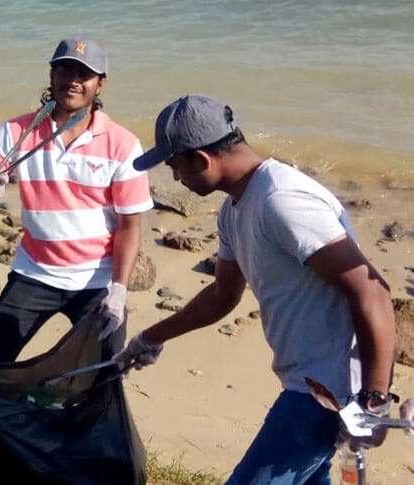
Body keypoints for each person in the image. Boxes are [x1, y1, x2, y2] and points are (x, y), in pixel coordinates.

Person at [115, 95, 397, 484]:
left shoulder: (283, 201)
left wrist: (375, 401)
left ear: (201, 158)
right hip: (303, 381)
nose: (175, 179)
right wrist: (149, 338)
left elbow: (373, 293)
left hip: (327, 395)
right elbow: (222, 296)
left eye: (175, 166)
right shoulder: (235, 208)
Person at [0, 38, 153, 480]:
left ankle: (103, 468)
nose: (72, 80)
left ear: (101, 83)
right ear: (51, 76)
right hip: (33, 275)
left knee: (103, 383)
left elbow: (131, 226)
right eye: (64, 70)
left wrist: (118, 290)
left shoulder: (122, 144)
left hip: (97, 284)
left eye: (83, 73)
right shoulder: (15, 133)